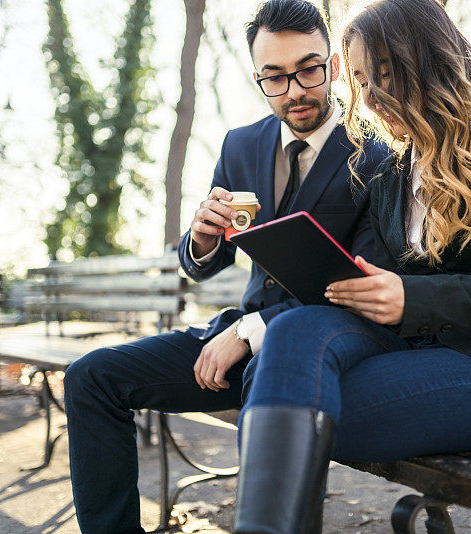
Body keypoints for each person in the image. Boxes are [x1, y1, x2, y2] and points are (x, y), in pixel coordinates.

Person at [231, 0, 471, 532]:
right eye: (361, 80)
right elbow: (383, 285)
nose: (369, 97)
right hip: (412, 352)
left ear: (429, 60)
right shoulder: (391, 172)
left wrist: (413, 299)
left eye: (384, 74)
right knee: (292, 335)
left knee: (276, 395)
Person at [62, 1, 389, 532]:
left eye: (308, 69)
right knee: (91, 377)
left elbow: (362, 284)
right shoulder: (241, 145)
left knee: (270, 381)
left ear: (332, 65)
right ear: (258, 77)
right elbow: (201, 266)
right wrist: (203, 236)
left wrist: (251, 330)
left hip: (316, 350)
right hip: (233, 333)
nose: (295, 91)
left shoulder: (376, 152)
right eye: (274, 78)